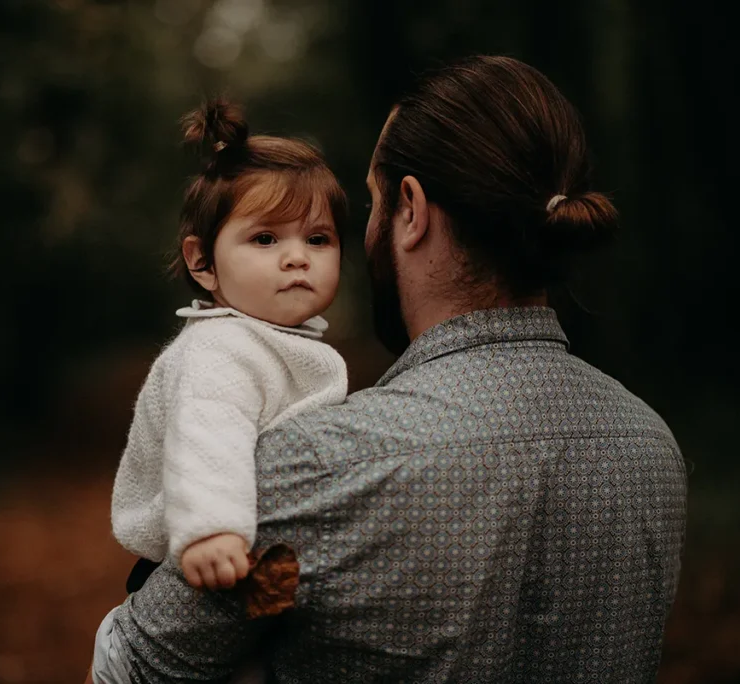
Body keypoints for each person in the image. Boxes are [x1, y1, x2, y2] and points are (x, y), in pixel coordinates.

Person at [89, 55, 687, 684]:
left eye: (367, 204)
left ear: (411, 210)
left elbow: (127, 669)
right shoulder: (651, 447)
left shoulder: (318, 463)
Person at [99, 99, 350, 683]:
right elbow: (208, 434)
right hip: (203, 555)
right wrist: (212, 528)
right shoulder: (220, 352)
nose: (296, 258)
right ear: (203, 261)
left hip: (248, 557)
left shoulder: (280, 341)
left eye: (318, 239)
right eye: (265, 239)